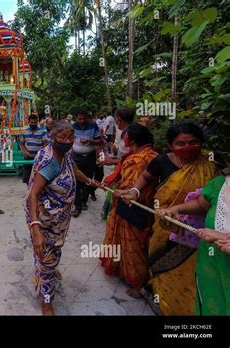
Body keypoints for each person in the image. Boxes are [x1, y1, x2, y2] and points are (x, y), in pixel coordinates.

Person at [120, 123, 219, 315]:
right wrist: (134, 191)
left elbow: (214, 197)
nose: (187, 147)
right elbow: (146, 177)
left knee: (191, 273)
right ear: (170, 144)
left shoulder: (211, 164)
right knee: (161, 263)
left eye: (193, 142)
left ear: (201, 142)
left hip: (198, 230)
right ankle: (161, 299)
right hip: (165, 224)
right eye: (180, 143)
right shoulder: (161, 161)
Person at [25, 120, 102, 315]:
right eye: (62, 137)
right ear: (52, 138)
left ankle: (44, 270)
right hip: (43, 217)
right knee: (48, 256)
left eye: (71, 137)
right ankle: (46, 300)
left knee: (47, 252)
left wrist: (91, 181)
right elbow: (34, 194)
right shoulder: (49, 162)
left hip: (59, 216)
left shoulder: (64, 154)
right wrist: (35, 228)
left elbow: (73, 170)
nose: (67, 141)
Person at [158, 164, 230, 315]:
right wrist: (177, 209)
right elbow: (201, 204)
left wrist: (223, 237)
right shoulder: (220, 184)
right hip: (210, 269)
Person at [100, 124, 158, 298]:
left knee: (134, 245)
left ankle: (138, 283)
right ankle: (122, 270)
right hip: (125, 203)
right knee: (122, 241)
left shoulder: (145, 158)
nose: (123, 139)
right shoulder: (138, 156)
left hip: (137, 206)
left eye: (125, 136)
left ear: (130, 139)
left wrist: (122, 190)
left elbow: (135, 185)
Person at [71, 110, 102, 217]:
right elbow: (69, 140)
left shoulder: (93, 126)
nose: (82, 121)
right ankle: (77, 206)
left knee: (88, 179)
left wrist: (90, 141)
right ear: (76, 118)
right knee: (77, 181)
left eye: (84, 119)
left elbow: (100, 141)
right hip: (76, 157)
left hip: (90, 156)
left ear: (87, 118)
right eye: (80, 119)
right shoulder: (73, 127)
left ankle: (84, 201)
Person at [20, 114, 47, 184]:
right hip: (28, 158)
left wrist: (41, 153)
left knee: (38, 177)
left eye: (35, 122)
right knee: (27, 177)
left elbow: (45, 144)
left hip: (39, 159)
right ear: (28, 122)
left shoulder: (42, 131)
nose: (33, 124)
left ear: (37, 122)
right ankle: (30, 190)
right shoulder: (24, 132)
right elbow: (21, 144)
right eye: (31, 122)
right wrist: (24, 151)